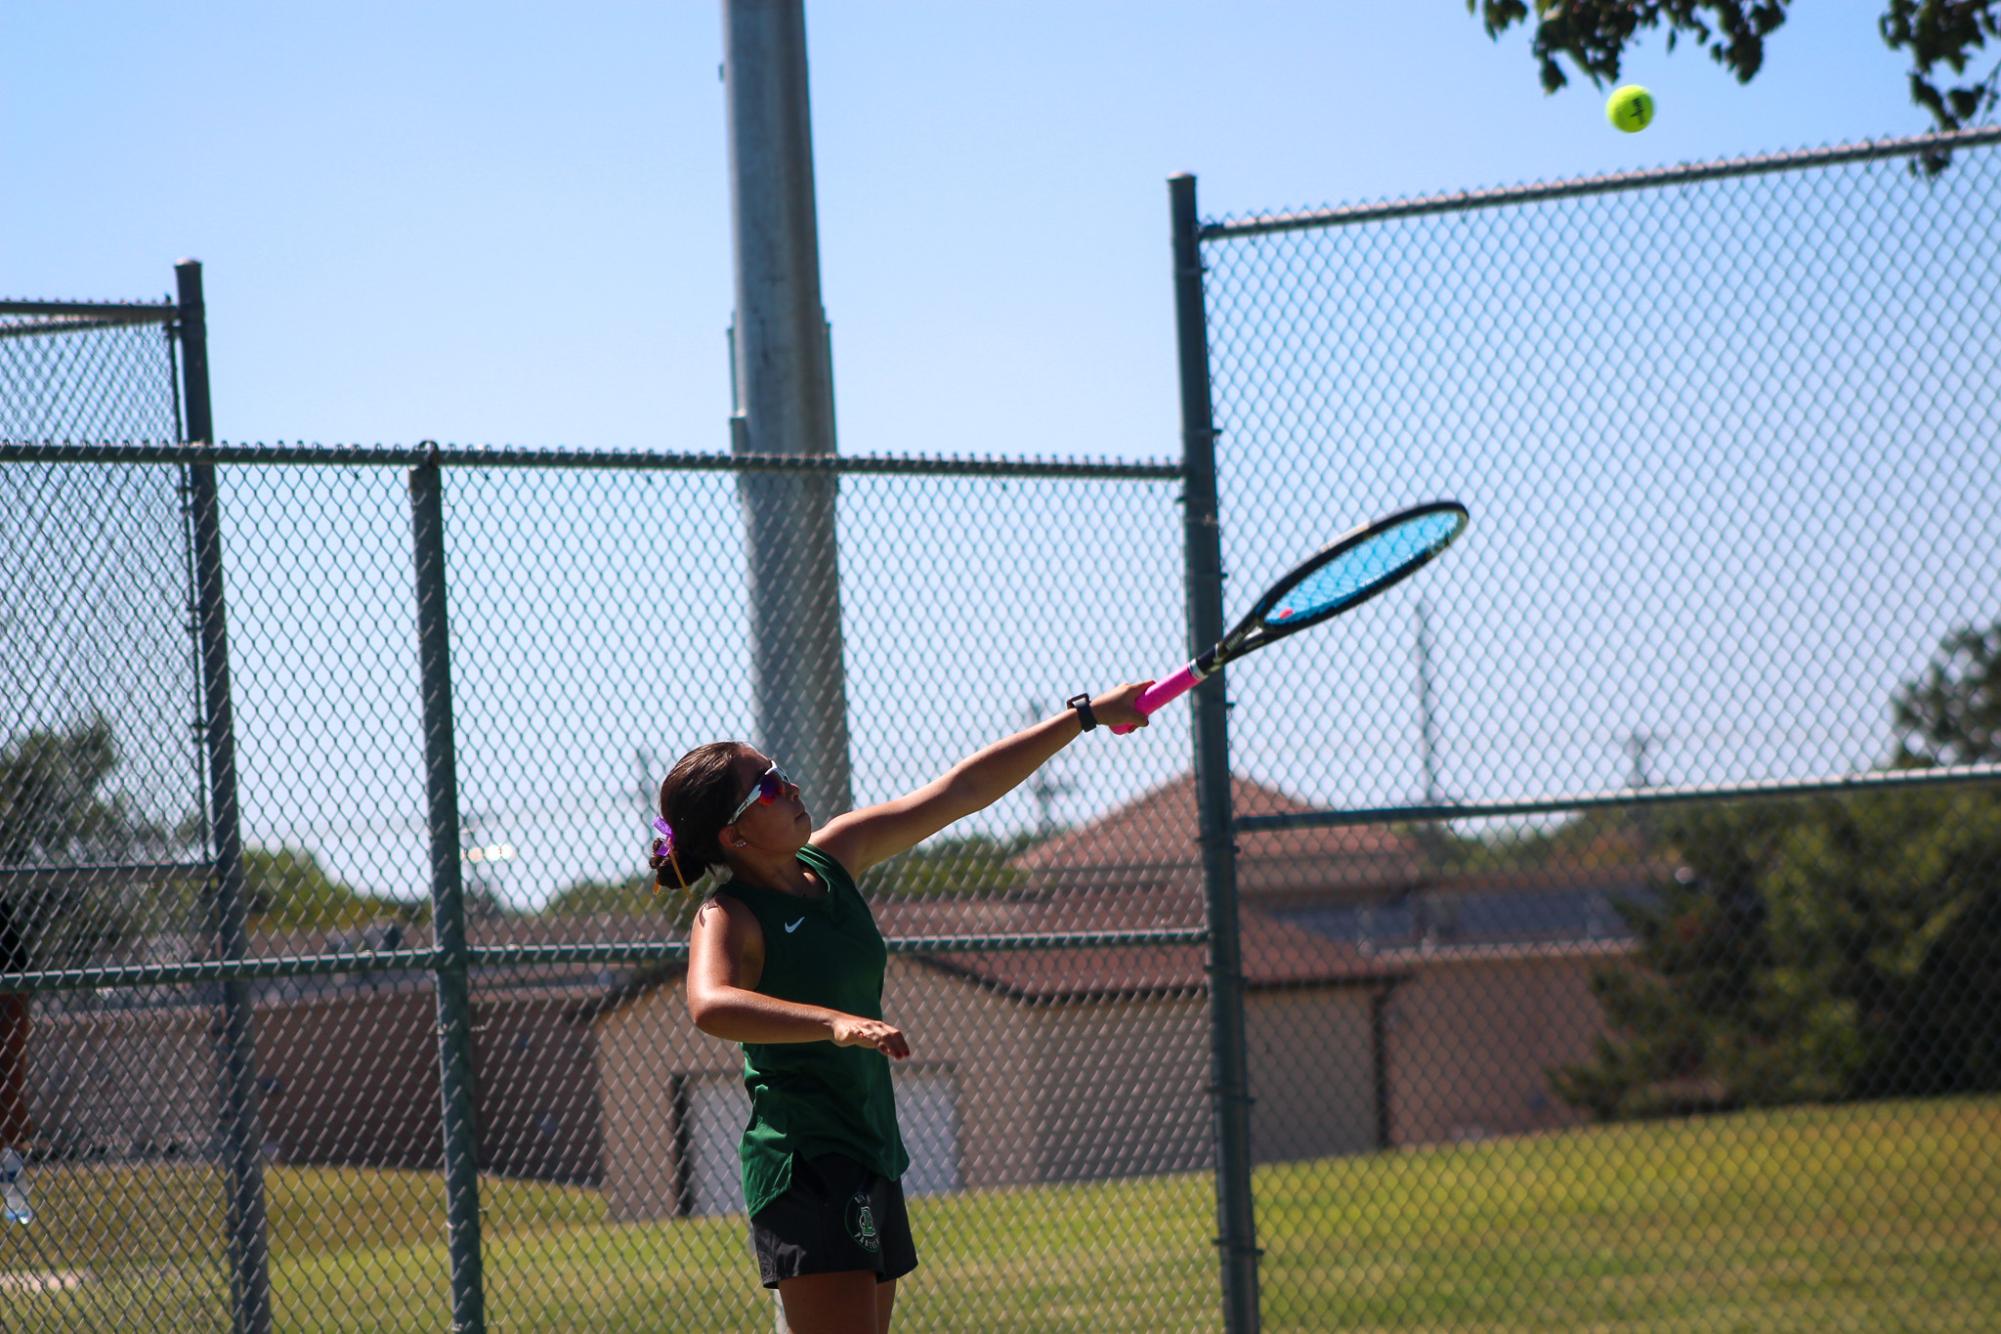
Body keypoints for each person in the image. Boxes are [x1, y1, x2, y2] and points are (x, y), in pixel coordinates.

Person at [653, 684, 1152, 1334]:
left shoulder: (833, 858)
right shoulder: (729, 916)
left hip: (870, 1146)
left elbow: (958, 793)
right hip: (807, 1159)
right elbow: (710, 1005)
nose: (792, 786)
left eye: (779, 773)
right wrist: (830, 1023)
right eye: (769, 789)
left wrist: (1083, 718)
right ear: (735, 835)